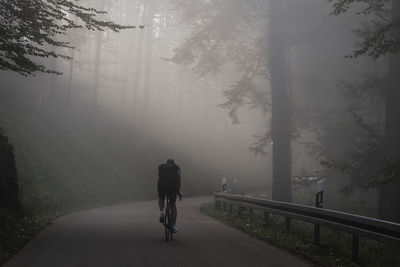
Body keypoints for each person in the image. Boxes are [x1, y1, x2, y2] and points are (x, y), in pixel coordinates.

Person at [158, 159, 181, 233]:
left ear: (166, 163)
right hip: (172, 186)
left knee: (161, 198)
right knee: (172, 205)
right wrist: (178, 191)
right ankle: (173, 226)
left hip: (162, 185)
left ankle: (162, 213)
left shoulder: (161, 166)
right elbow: (178, 180)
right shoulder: (176, 167)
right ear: (173, 163)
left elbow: (159, 176)